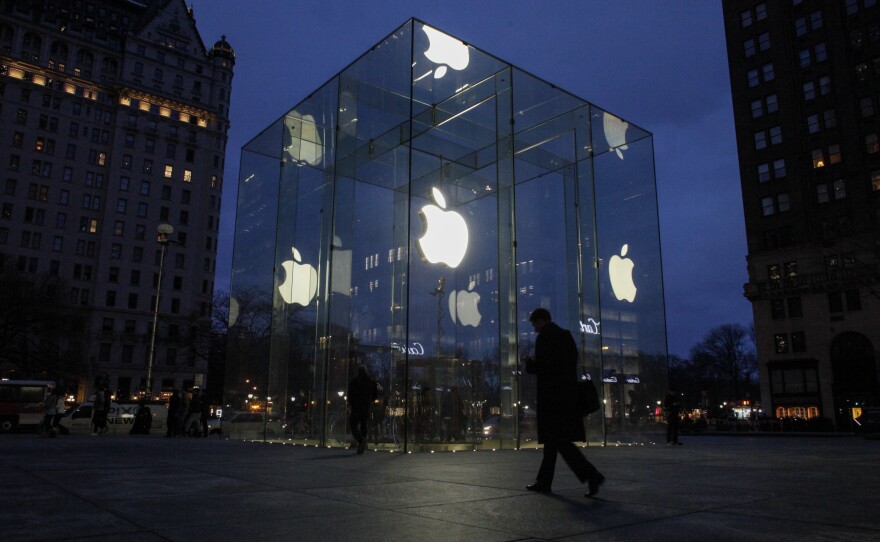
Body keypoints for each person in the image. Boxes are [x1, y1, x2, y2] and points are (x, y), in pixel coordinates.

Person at [524, 308, 605, 497]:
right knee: (554, 443)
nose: (534, 328)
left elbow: (545, 367)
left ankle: (592, 476)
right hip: (566, 397)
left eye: (534, 323)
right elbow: (567, 364)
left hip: (552, 399)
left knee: (560, 443)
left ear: (540, 320)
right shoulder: (566, 336)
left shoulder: (545, 337)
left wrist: (529, 365)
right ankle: (544, 481)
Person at [347, 365, 377, 454]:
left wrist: (352, 403)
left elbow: (350, 394)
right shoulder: (370, 382)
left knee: (353, 425)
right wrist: (369, 401)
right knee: (364, 425)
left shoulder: (354, 382)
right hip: (365, 406)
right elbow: (375, 395)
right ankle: (362, 443)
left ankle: (361, 440)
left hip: (356, 407)